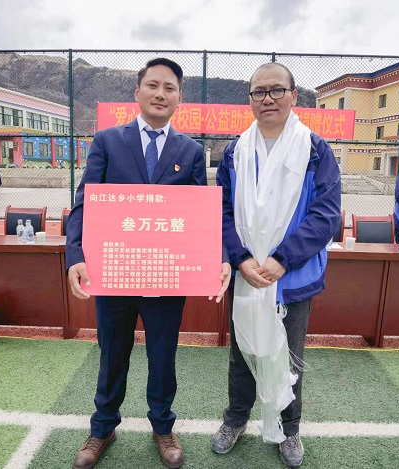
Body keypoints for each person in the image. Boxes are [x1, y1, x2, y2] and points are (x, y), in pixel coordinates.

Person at [65, 58, 231, 469]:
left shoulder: (190, 151)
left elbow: (201, 216)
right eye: (153, 85)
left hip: (165, 274)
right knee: (112, 354)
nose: (161, 94)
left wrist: (219, 258)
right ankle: (102, 428)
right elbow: (85, 202)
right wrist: (76, 255)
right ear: (137, 92)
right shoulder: (107, 141)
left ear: (179, 98)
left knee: (163, 356)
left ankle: (163, 427)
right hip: (116, 271)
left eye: (169, 88)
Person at [213, 63, 341, 468]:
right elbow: (222, 211)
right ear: (250, 99)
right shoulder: (235, 151)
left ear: (293, 96)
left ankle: (290, 428)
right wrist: (241, 259)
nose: (267, 98)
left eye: (276, 90)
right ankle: (235, 420)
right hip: (247, 275)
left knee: (289, 357)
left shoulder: (315, 149)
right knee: (242, 353)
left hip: (292, 276)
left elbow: (325, 215)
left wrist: (282, 260)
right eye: (259, 92)